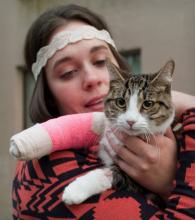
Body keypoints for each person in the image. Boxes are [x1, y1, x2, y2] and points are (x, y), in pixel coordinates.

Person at [12, 4, 195, 219]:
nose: (92, 79)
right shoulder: (45, 174)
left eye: (100, 62)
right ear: (47, 93)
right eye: (68, 72)